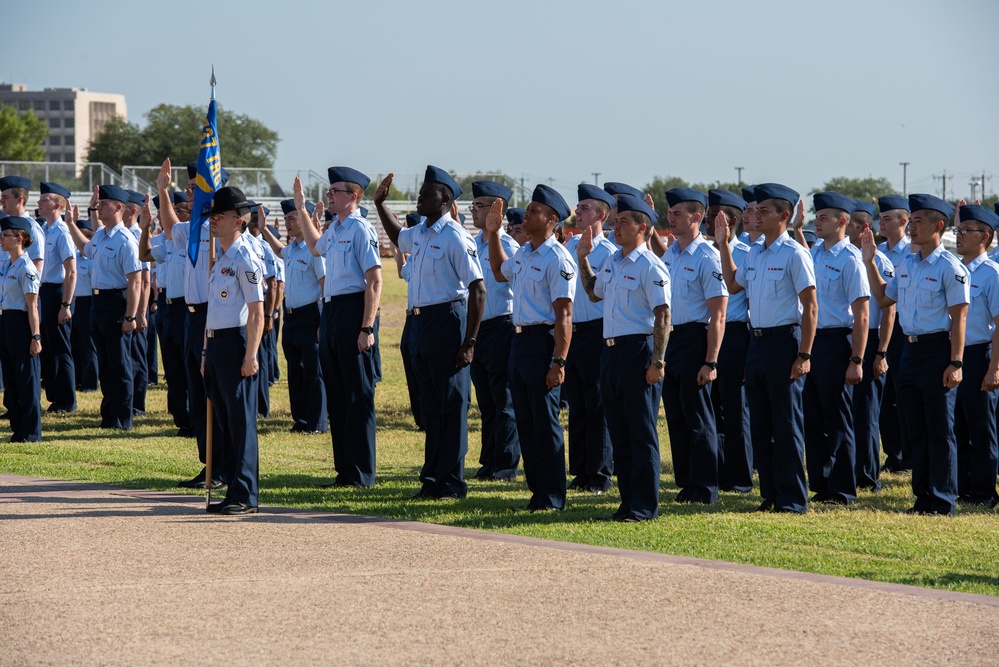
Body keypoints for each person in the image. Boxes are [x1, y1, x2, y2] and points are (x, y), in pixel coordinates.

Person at [374, 167, 485, 499]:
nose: (420, 198)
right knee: (430, 406)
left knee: (450, 405)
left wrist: (469, 342)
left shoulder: (454, 236)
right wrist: (380, 204)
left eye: (427, 194)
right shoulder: (420, 231)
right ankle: (433, 478)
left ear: (446, 199)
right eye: (420, 194)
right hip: (420, 323)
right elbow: (398, 237)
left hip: (447, 320)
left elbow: (477, 290)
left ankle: (451, 482)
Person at [861, 194, 968, 516]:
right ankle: (923, 496)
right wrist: (869, 262)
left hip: (938, 350)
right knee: (915, 429)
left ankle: (943, 498)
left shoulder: (950, 266)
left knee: (939, 429)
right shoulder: (906, 264)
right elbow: (883, 299)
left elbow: (959, 317)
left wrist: (956, 362)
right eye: (912, 220)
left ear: (938, 226)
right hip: (909, 349)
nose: (913, 227)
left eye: (919, 221)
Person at [716, 183, 817, 514]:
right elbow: (732, 284)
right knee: (761, 424)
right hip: (756, 342)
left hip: (783, 342)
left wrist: (804, 355)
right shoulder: (755, 251)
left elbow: (810, 306)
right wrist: (722, 247)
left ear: (783, 216)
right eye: (753, 210)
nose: (754, 216)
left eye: (763, 211)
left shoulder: (794, 254)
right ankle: (770, 494)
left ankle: (791, 498)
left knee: (785, 425)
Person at [576, 194, 670, 521]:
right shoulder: (613, 261)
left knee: (641, 433)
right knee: (619, 432)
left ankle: (644, 506)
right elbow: (593, 292)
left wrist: (657, 360)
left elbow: (662, 315)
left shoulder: (650, 265)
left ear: (642, 227)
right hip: (611, 351)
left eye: (624, 222)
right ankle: (628, 500)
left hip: (638, 351)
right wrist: (583, 259)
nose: (617, 227)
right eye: (615, 222)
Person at [483, 184, 573, 511]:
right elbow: (498, 269)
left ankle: (552, 495)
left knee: (545, 423)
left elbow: (564, 313)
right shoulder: (523, 252)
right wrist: (493, 233)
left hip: (542, 342)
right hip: (518, 341)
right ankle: (538, 492)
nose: (528, 214)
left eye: (535, 211)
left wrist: (559, 361)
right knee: (526, 421)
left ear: (551, 219)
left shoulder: (557, 258)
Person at [298, 168, 382, 488]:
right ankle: (344, 471)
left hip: (353, 311)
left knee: (357, 395)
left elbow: (374, 281)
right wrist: (301, 205)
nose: (329, 195)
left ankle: (361, 473)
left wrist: (367, 326)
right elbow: (315, 246)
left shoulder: (361, 229)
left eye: (335, 191)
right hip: (332, 311)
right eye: (329, 190)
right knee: (336, 395)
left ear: (353, 197)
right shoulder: (335, 229)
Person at [158, 158, 226, 488]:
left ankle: (223, 466)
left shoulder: (221, 231)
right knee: (197, 396)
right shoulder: (193, 227)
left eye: (194, 187)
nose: (188, 192)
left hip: (215, 316)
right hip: (191, 317)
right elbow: (171, 228)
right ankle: (209, 463)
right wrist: (162, 191)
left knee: (215, 394)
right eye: (187, 188)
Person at [661, 187, 727, 505]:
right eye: (669, 213)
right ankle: (686, 482)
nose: (670, 219)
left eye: (677, 214)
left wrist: (710, 361)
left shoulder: (707, 256)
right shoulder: (669, 254)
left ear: (697, 218)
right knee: (676, 417)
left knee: (699, 418)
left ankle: (705, 486)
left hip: (694, 340)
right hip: (670, 339)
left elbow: (718, 314)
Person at [803, 192, 870, 506]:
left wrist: (856, 359)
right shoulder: (814, 253)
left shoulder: (850, 259)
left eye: (823, 217)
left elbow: (862, 313)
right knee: (813, 418)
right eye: (816, 217)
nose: (817, 222)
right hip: (811, 342)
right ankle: (821, 483)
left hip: (836, 342)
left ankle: (842, 488)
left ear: (842, 221)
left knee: (839, 419)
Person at [203, 186, 265, 516]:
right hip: (215, 344)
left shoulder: (245, 257)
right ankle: (231, 489)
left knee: (241, 423)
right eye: (212, 215)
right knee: (226, 422)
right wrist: (204, 352)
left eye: (219, 216)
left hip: (237, 343)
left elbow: (257, 311)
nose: (213, 221)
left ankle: (245, 494)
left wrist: (251, 355)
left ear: (238, 221)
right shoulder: (221, 259)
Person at [65, 185, 142, 430]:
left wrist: (130, 316)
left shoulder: (125, 240)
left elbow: (136, 281)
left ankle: (121, 418)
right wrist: (70, 224)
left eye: (104, 203)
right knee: (106, 364)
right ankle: (108, 415)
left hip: (116, 302)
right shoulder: (101, 235)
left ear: (119, 208)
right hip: (98, 303)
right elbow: (85, 248)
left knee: (120, 364)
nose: (99, 206)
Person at [562, 184, 617, 494]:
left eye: (584, 208)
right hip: (574, 331)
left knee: (597, 405)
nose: (577, 212)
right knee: (578, 405)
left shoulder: (609, 252)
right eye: (578, 207)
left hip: (598, 331)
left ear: (601, 214)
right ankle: (581, 470)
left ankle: (599, 473)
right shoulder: (569, 248)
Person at [467, 181, 521, 481]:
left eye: (479, 206)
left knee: (504, 402)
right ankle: (488, 462)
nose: (473, 211)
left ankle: (504, 466)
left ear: (497, 209)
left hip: (502, 326)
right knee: (486, 403)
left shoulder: (508, 247)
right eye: (473, 206)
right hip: (478, 329)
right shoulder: (474, 244)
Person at [261, 199, 328, 434]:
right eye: (287, 218)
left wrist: (323, 321)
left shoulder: (315, 251)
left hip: (311, 315)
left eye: (292, 218)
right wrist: (264, 229)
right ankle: (301, 419)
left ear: (305, 219)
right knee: (295, 370)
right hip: (292, 316)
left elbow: (325, 286)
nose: (288, 222)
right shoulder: (291, 249)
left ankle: (317, 422)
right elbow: (279, 251)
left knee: (314, 371)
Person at [951, 203, 999, 507]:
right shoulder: (955, 270)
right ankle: (963, 487)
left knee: (982, 428)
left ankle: (984, 492)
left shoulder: (992, 273)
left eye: (966, 231)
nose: (959, 236)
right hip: (954, 355)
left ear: (984, 236)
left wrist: (994, 368)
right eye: (958, 230)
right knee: (957, 425)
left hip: (981, 354)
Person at [846, 199, 894, 492]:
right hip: (847, 339)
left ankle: (866, 476)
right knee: (846, 412)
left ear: (863, 227)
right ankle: (847, 468)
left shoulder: (878, 261)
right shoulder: (843, 258)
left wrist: (881, 353)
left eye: (849, 222)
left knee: (865, 413)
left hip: (871, 338)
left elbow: (889, 309)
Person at [707, 189, 753, 493]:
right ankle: (717, 471)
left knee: (735, 408)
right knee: (712, 408)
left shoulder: (747, 255)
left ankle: (739, 477)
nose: (709, 221)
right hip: (708, 333)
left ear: (732, 220)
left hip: (736, 333)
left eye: (714, 216)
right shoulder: (704, 252)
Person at [141, 192, 193, 437]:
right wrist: (144, 229)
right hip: (166, 305)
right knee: (171, 364)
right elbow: (145, 255)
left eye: (172, 212)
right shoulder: (166, 242)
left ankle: (194, 417)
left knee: (187, 364)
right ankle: (181, 418)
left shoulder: (190, 240)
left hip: (185, 306)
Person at [876, 194, 912, 473]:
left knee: (905, 394)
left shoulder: (912, 253)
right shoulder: (877, 252)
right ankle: (893, 453)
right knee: (886, 396)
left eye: (888, 218)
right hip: (882, 327)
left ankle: (908, 454)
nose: (882, 222)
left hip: (904, 327)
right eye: (881, 217)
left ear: (903, 221)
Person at [0, 215, 43, 442]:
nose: (1, 239)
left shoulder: (27, 268)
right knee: (11, 379)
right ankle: (18, 428)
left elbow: (32, 305)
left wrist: (35, 337)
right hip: (6, 321)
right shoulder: (6, 264)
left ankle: (31, 431)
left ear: (18, 238)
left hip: (21, 324)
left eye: (5, 235)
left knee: (26, 379)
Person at [36, 182, 77, 414]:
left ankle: (66, 400)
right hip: (44, 292)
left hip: (57, 292)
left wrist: (66, 304)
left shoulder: (61, 231)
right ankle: (54, 397)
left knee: (61, 348)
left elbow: (71, 270)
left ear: (57, 205)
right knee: (49, 347)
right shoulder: (45, 229)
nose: (39, 204)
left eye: (44, 200)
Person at [123, 190, 151, 417]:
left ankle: (137, 404)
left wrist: (141, 313)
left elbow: (145, 281)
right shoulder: (122, 234)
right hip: (125, 301)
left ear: (133, 211)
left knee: (137, 356)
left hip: (137, 304)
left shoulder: (138, 235)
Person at [70, 211, 98, 392]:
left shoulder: (90, 261)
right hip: (76, 303)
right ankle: (78, 378)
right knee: (76, 343)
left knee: (88, 345)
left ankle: (89, 382)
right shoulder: (76, 258)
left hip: (89, 303)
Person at [0, 176, 45, 274]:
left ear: (20, 199)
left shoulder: (31, 227)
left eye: (5, 197)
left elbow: (36, 266)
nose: (1, 200)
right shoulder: (4, 225)